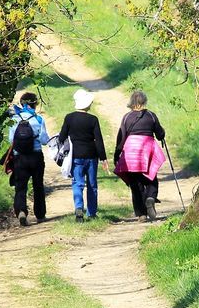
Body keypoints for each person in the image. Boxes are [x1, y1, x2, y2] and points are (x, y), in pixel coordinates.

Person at [114, 90, 166, 221]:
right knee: (151, 178)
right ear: (144, 101)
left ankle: (141, 214)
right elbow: (159, 134)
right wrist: (162, 134)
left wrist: (117, 154)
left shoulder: (127, 117)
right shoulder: (151, 115)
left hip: (131, 151)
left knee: (135, 183)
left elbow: (122, 137)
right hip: (146, 150)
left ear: (132, 102)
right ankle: (150, 197)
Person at [58, 89, 109, 223]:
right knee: (92, 185)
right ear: (88, 104)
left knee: (77, 183)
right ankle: (91, 213)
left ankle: (79, 207)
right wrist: (103, 158)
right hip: (91, 156)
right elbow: (98, 140)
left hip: (75, 156)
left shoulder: (69, 118)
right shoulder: (93, 119)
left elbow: (62, 137)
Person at [9, 91, 50, 226]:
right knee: (38, 185)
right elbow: (44, 140)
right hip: (36, 156)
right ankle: (40, 215)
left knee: (20, 186)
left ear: (22, 104)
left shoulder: (15, 119)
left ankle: (21, 211)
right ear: (35, 104)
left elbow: (11, 139)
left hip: (19, 157)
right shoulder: (38, 119)